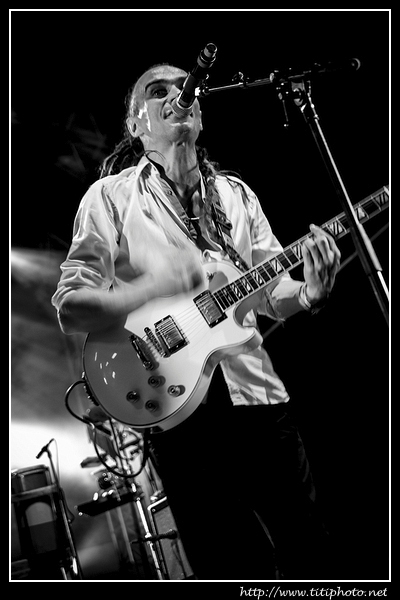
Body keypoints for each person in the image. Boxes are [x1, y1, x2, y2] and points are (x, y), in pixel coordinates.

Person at [51, 63, 341, 580]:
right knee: (232, 563)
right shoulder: (110, 197)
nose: (176, 95)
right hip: (178, 410)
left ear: (200, 116)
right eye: (157, 91)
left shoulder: (237, 195)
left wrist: (310, 293)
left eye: (183, 88)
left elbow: (272, 292)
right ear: (136, 126)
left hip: (259, 398)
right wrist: (152, 287)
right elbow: (71, 305)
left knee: (310, 549)